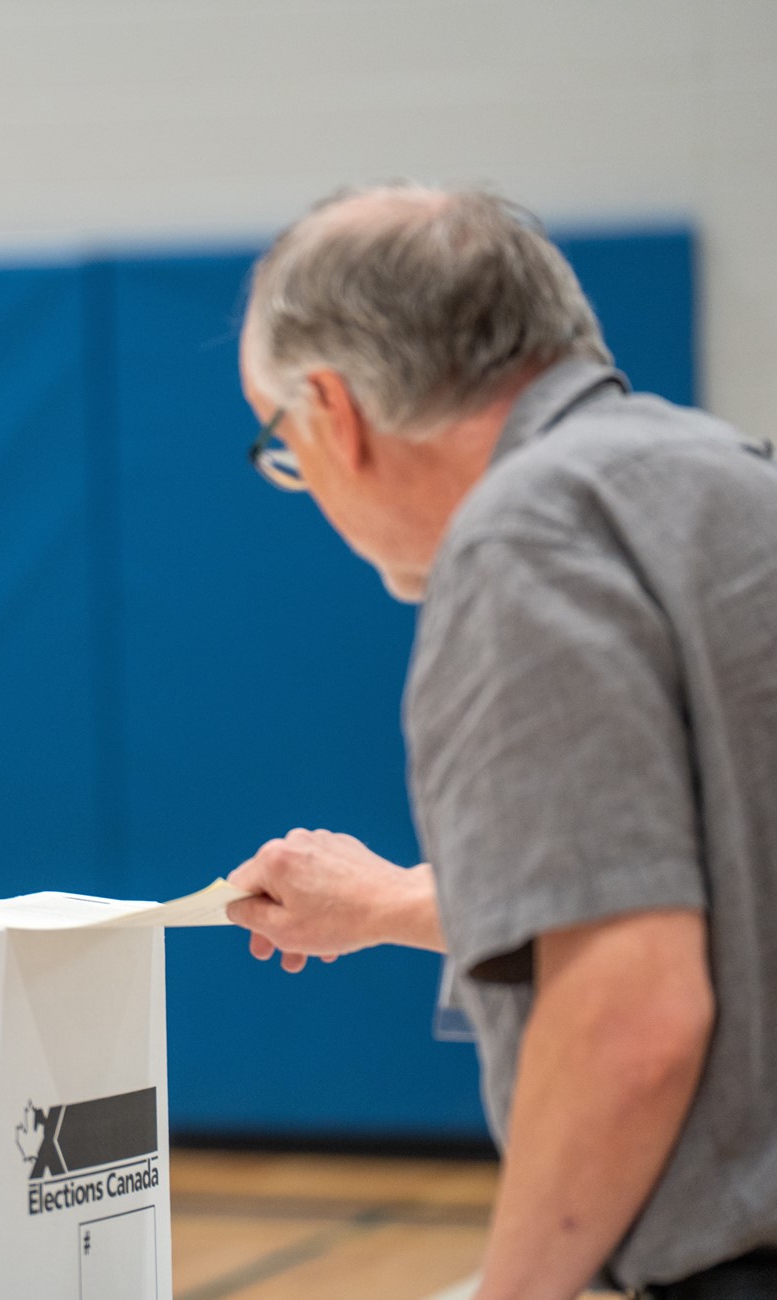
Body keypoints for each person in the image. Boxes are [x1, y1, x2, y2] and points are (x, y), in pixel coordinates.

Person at [222, 184, 777, 1299]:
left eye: (284, 446)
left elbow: (634, 1010)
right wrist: (385, 903)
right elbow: (721, 893)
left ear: (334, 411)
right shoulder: (727, 474)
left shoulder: (521, 538)